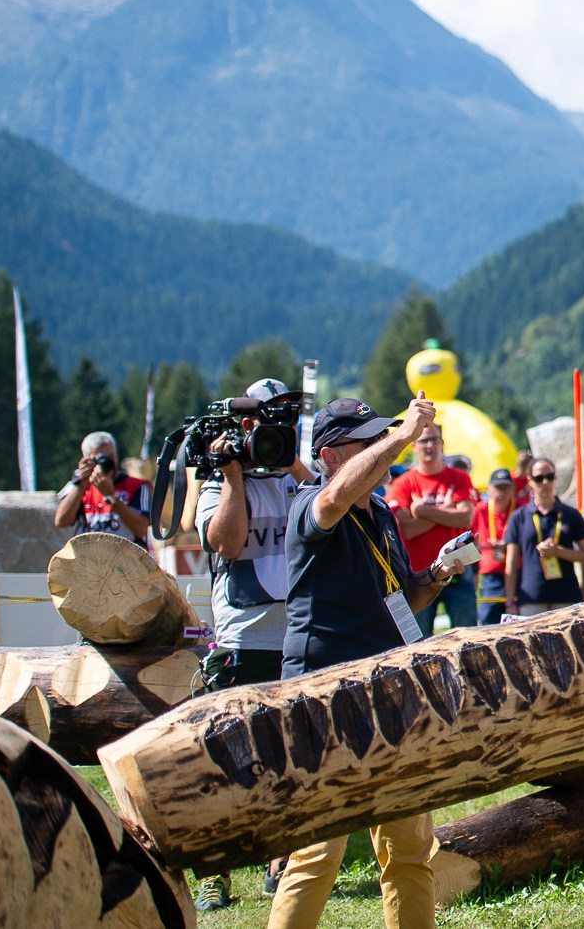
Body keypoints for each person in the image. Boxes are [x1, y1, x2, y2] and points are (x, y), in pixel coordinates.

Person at [271, 395, 468, 929]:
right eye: (371, 442)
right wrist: (402, 435)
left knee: (409, 849)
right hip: (326, 691)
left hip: (388, 687)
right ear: (332, 455)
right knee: (317, 853)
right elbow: (335, 499)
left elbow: (402, 597)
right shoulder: (311, 504)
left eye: (385, 438)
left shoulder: (381, 512)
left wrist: (439, 574)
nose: (385, 450)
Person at [191, 379, 313, 912]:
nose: (270, 432)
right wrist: (234, 474)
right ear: (241, 423)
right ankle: (215, 869)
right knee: (232, 759)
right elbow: (227, 542)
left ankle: (279, 860)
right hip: (244, 634)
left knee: (289, 755)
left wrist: (291, 465)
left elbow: (336, 510)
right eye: (262, 422)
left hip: (298, 633)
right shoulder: (218, 481)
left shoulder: (293, 473)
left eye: (281, 422)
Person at [385, 421, 478, 631]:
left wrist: (422, 511)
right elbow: (407, 529)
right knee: (419, 644)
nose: (430, 446)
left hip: (459, 568)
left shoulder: (460, 479)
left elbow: (465, 520)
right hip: (419, 575)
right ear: (413, 446)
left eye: (434, 440)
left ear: (442, 443)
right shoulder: (403, 484)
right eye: (424, 440)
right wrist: (447, 510)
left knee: (468, 639)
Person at [504, 458, 584, 616]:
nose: (545, 482)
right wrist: (510, 601)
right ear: (530, 481)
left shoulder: (570, 514)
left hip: (566, 597)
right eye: (539, 478)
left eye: (550, 477)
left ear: (556, 478)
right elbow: (510, 562)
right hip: (531, 597)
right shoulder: (519, 517)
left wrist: (559, 551)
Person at [53, 430, 150, 545]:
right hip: (90, 557)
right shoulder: (79, 487)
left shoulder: (137, 486)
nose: (107, 462)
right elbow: (61, 522)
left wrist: (111, 497)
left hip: (127, 558)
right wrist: (81, 483)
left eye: (111, 456)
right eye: (99, 458)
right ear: (87, 459)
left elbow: (141, 530)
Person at [474, 469, 516, 625]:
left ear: (512, 489)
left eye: (506, 487)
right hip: (490, 578)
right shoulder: (480, 510)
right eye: (498, 487)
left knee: (516, 624)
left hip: (518, 575)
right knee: (487, 624)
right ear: (489, 489)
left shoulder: (519, 511)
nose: (502, 492)